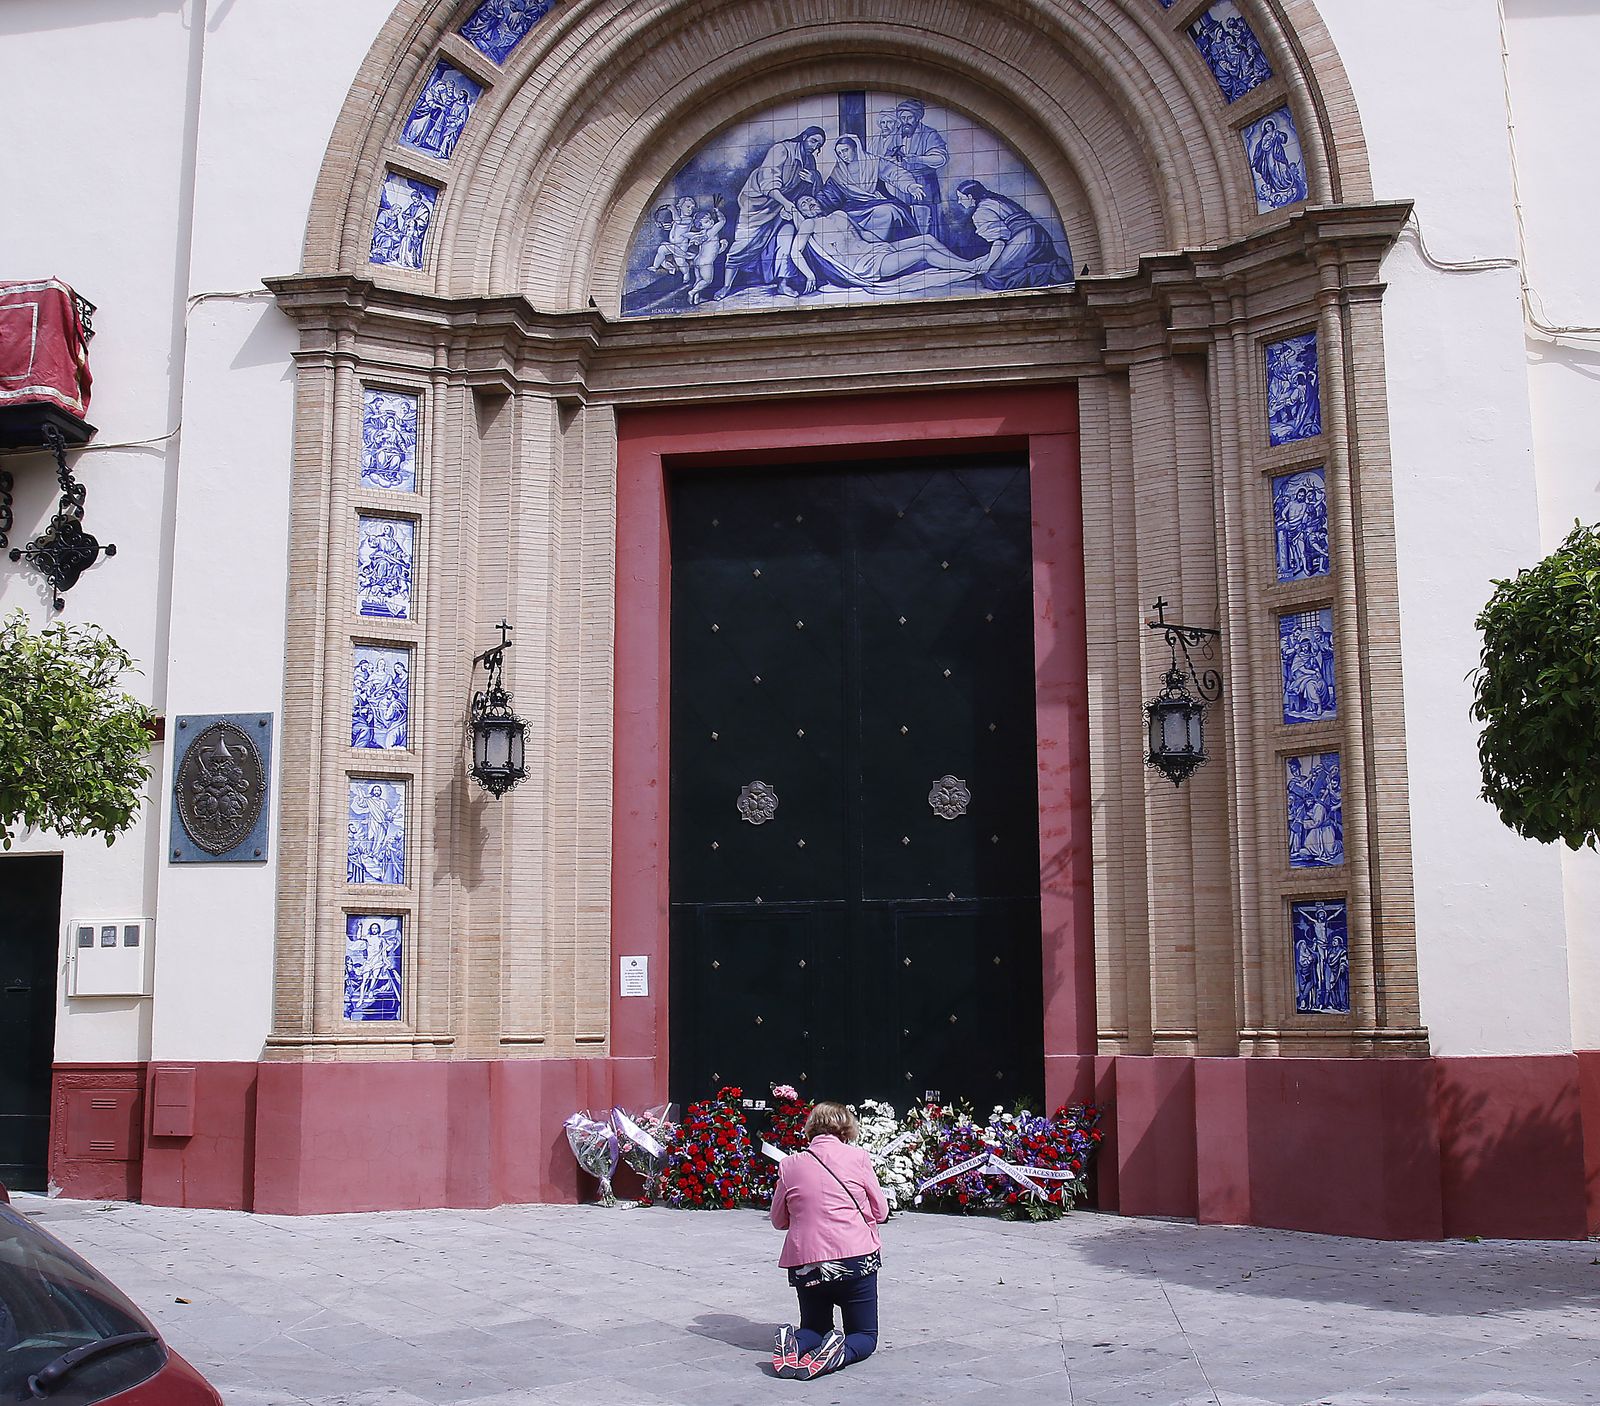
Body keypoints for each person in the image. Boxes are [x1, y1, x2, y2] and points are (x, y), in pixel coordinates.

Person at [768, 1102, 889, 1380]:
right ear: (846, 1128)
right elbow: (881, 1212)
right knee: (864, 1335)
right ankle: (838, 1353)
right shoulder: (858, 1158)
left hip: (807, 1262)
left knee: (813, 1326)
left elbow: (778, 1220)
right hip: (855, 1259)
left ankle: (796, 1343)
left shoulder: (789, 1165)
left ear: (811, 1128)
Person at [717, 127, 827, 298]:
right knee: (742, 244)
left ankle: (783, 284)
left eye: (819, 145)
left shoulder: (809, 161)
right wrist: (786, 203)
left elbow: (807, 193)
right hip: (759, 205)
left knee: (787, 240)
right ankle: (726, 286)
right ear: (804, 137)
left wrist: (814, 179)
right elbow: (768, 181)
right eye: (813, 141)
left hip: (785, 209)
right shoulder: (781, 150)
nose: (815, 147)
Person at [787, 196, 979, 293]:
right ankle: (971, 267)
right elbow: (796, 250)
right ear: (802, 211)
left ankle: (962, 263)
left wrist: (888, 245)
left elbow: (863, 234)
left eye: (810, 200)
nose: (809, 204)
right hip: (866, 265)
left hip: (877, 249)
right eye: (803, 204)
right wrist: (809, 274)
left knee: (927, 239)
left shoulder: (839, 215)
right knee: (924, 252)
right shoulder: (809, 224)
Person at [954, 181, 1074, 290]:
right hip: (1040, 236)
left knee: (992, 277)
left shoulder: (981, 212)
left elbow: (1000, 240)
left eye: (960, 198)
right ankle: (1047, 268)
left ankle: (1052, 270)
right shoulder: (995, 200)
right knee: (1007, 267)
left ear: (970, 197)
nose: (959, 201)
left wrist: (988, 263)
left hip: (1024, 240)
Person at [817, 135, 922, 242]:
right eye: (839, 153)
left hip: (875, 202)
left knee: (888, 211)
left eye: (845, 150)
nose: (843, 155)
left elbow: (894, 172)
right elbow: (828, 194)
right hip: (853, 208)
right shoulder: (838, 173)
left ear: (855, 148)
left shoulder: (873, 162)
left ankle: (881, 246)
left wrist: (909, 186)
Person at [873, 98, 948, 237]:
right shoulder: (895, 134)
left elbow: (941, 158)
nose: (905, 121)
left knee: (926, 217)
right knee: (905, 215)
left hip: (924, 180)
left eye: (909, 117)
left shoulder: (929, 134)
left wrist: (918, 159)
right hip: (901, 183)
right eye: (902, 118)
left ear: (917, 117)